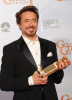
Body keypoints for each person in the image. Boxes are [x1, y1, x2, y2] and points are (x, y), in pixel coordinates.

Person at [0, 6, 71, 100]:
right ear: (19, 24)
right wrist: (31, 80)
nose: (31, 24)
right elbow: (5, 83)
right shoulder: (10, 49)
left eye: (34, 20)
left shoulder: (50, 45)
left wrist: (59, 68)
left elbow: (57, 80)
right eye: (26, 21)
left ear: (37, 22)